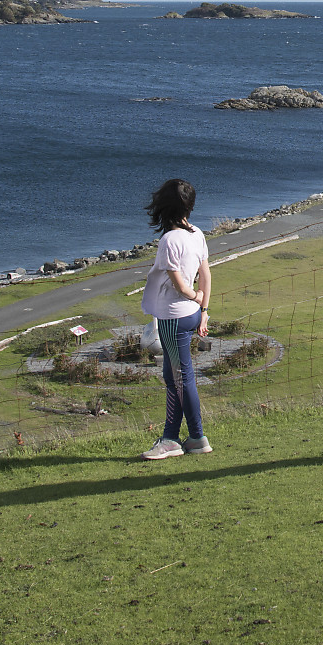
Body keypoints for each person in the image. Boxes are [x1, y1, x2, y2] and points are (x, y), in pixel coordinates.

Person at [140, 177, 212, 460]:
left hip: (173, 318)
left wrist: (195, 296)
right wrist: (203, 310)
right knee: (174, 377)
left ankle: (194, 437)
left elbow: (182, 286)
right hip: (191, 315)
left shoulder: (169, 240)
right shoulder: (197, 234)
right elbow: (205, 274)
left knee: (181, 379)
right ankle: (172, 437)